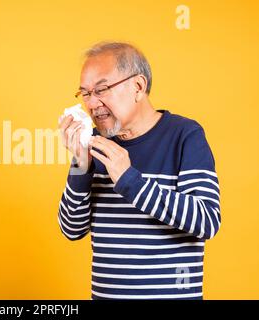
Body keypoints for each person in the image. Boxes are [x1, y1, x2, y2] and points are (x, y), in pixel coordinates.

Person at [57, 42, 221, 300]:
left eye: (101, 89)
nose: (91, 103)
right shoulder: (96, 143)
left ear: (138, 86)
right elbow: (71, 229)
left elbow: (206, 221)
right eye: (85, 93)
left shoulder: (185, 135)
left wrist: (130, 180)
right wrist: (80, 164)